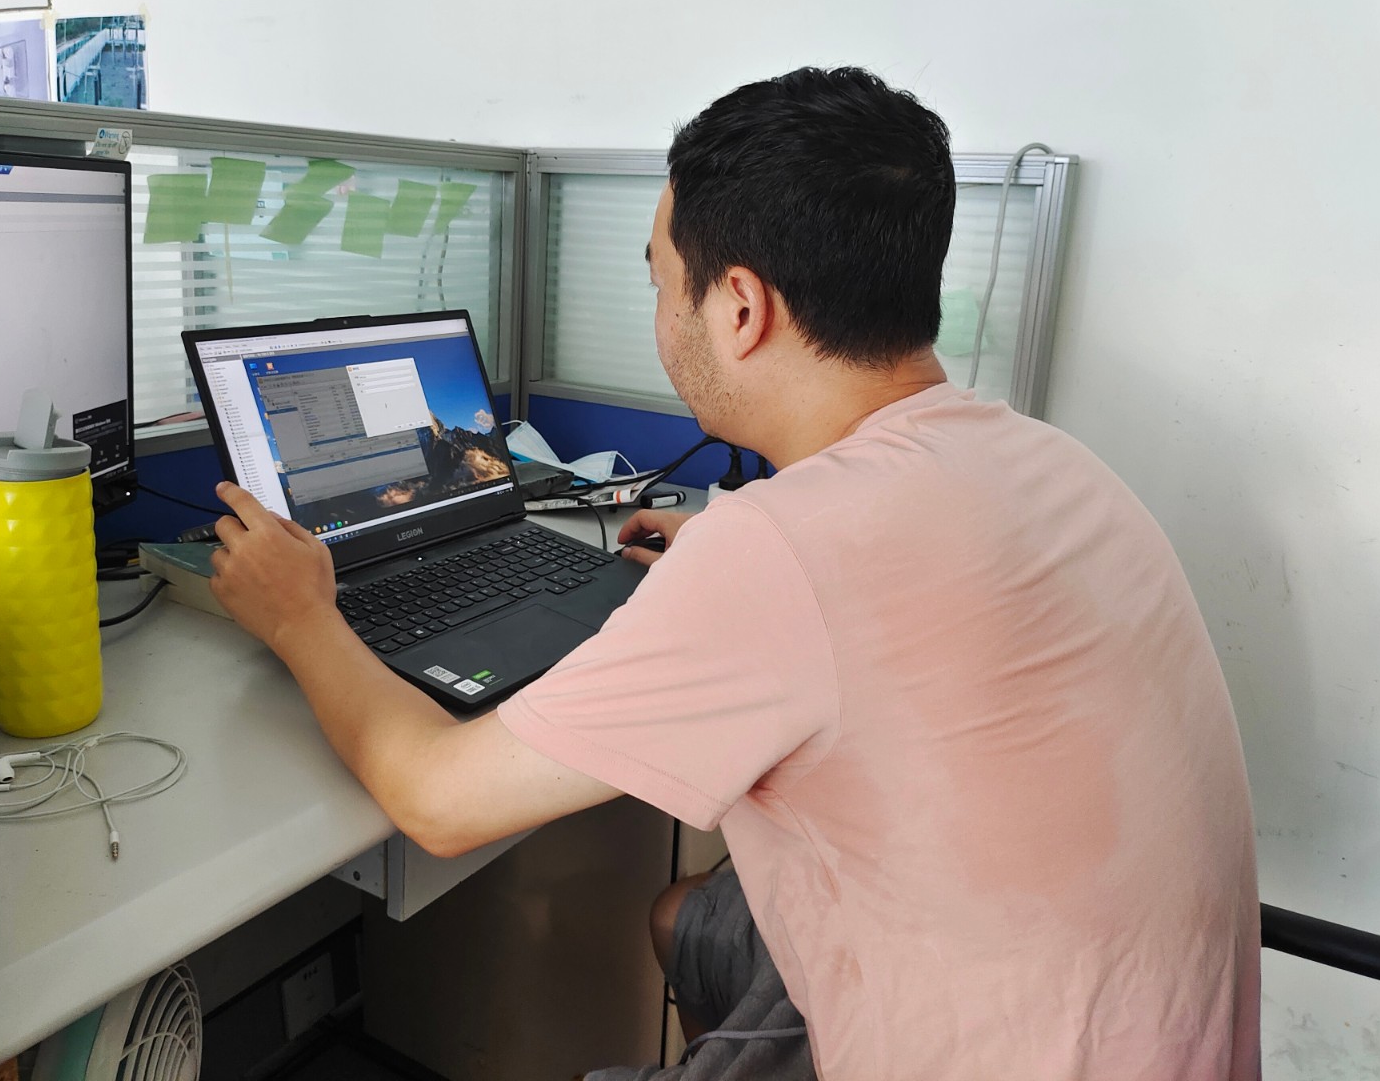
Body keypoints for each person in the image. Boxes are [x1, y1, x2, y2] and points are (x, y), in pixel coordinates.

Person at [207, 66, 1261, 1080]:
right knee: (692, 917)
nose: (661, 315)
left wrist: (302, 618)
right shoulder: (1049, 462)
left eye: (662, 282)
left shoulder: (783, 551)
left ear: (741, 308)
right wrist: (728, 544)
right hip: (1151, 1032)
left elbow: (438, 803)